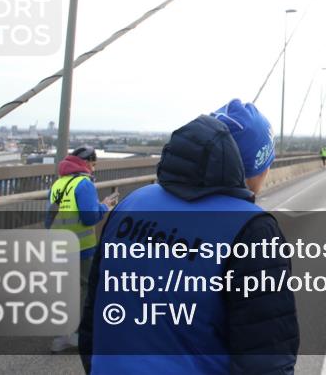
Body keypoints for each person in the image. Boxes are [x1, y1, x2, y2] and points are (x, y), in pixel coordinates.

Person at [79, 99, 298, 373]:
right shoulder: (252, 229)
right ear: (257, 165)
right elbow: (267, 357)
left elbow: (93, 319)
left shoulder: (131, 204)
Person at [46, 145, 118, 353]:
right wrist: (105, 206)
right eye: (93, 165)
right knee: (87, 288)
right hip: (81, 247)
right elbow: (89, 217)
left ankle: (60, 336)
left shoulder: (58, 184)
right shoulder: (84, 184)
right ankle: (78, 334)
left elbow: (49, 217)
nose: (93, 169)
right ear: (86, 163)